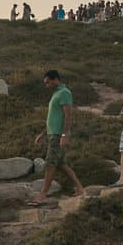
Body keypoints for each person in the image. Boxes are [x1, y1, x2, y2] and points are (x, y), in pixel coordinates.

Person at [30, 69, 88, 204]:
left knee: (50, 163)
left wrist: (64, 135)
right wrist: (43, 134)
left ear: (56, 79)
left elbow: (67, 116)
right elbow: (53, 117)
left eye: (48, 82)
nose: (47, 85)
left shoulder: (65, 93)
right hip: (52, 133)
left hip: (58, 135)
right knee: (61, 164)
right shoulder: (56, 93)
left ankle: (43, 194)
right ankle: (80, 188)